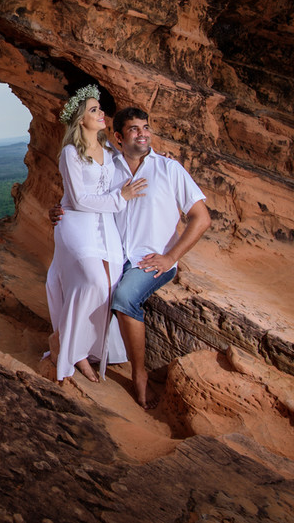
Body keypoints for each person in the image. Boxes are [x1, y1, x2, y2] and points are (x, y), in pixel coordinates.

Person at [107, 106, 211, 408]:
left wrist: (170, 257)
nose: (143, 134)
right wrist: (59, 210)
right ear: (118, 137)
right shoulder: (107, 168)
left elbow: (201, 218)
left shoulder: (169, 169)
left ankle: (139, 375)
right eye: (134, 129)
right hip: (113, 255)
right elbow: (85, 199)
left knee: (125, 296)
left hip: (149, 260)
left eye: (146, 127)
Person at [43, 85, 147, 383]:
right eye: (94, 110)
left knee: (109, 287)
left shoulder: (111, 153)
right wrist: (121, 198)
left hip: (106, 228)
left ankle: (87, 349)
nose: (101, 113)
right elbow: (77, 199)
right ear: (80, 121)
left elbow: (136, 159)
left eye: (100, 109)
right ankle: (71, 350)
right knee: (92, 281)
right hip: (75, 223)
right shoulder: (70, 153)